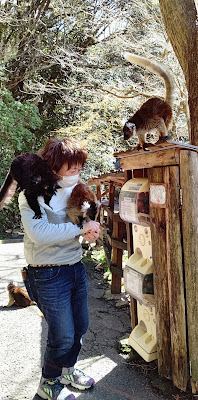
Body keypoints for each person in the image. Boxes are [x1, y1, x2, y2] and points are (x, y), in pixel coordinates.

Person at [18, 137, 100, 400]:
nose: (76, 174)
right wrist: (80, 228)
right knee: (62, 334)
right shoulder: (31, 194)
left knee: (80, 327)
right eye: (71, 168)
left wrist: (92, 229)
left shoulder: (79, 189)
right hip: (46, 272)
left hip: (75, 267)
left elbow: (89, 220)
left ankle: (69, 370)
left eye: (79, 168)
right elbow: (40, 233)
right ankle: (48, 381)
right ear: (54, 167)